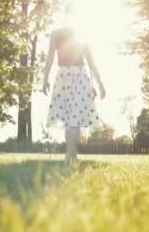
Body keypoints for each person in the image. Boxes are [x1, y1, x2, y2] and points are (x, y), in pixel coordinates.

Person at [42, 24, 106, 163]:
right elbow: (50, 57)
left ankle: (68, 156)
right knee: (67, 119)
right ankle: (73, 156)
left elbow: (91, 62)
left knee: (75, 118)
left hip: (80, 76)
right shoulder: (56, 34)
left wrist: (100, 84)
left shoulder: (84, 34)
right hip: (63, 77)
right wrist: (45, 78)